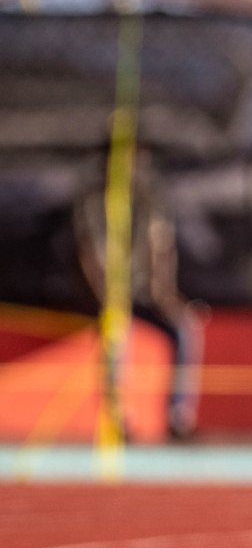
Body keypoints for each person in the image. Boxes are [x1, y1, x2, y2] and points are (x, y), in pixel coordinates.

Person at [74, 149, 204, 441]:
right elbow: (90, 256)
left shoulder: (149, 194)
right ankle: (118, 419)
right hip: (109, 297)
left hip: (146, 295)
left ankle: (179, 418)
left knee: (186, 327)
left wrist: (165, 294)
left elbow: (162, 248)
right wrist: (106, 298)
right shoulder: (93, 198)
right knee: (117, 333)